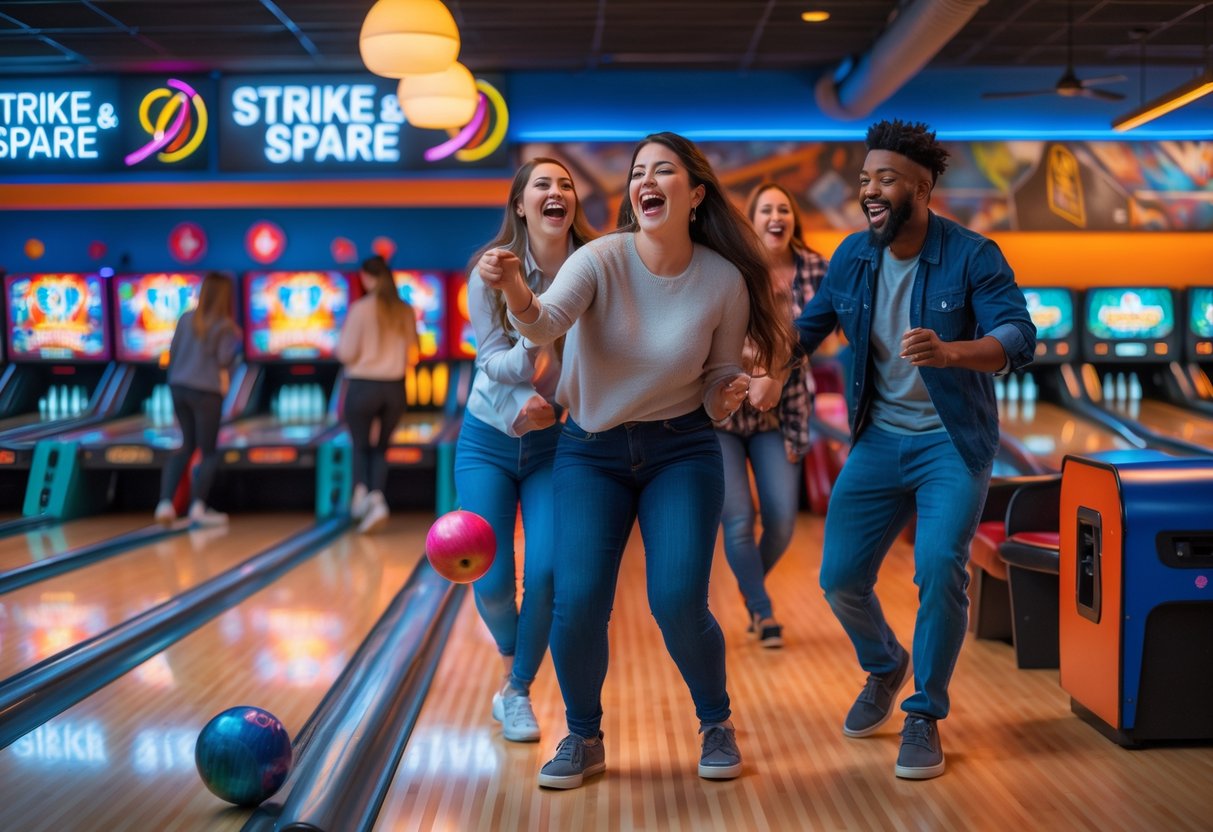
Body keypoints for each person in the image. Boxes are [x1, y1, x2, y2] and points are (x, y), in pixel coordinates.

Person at [479, 132, 796, 789]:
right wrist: (513, 287)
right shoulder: (598, 260)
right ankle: (583, 735)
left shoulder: (723, 280)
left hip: (680, 449)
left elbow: (714, 384)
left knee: (677, 600)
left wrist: (723, 390)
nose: (645, 181)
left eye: (664, 171)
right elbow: (541, 328)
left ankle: (714, 722)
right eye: (638, 172)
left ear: (694, 193)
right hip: (588, 451)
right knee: (578, 603)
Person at [795, 120, 1036, 780]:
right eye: (864, 179)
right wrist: (762, 362)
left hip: (949, 443)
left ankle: (923, 713)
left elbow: (1017, 333)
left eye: (886, 179)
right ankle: (882, 664)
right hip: (875, 440)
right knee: (838, 578)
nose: (869, 190)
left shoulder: (971, 255)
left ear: (922, 187)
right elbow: (812, 325)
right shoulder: (852, 255)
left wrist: (952, 350)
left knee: (937, 566)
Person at [455, 157, 597, 743]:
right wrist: (529, 366)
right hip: (487, 438)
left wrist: (559, 403)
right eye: (542, 184)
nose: (556, 191)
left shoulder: (595, 269)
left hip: (555, 446)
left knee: (545, 574)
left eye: (565, 184)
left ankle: (517, 689)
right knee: (488, 577)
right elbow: (491, 359)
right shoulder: (488, 274)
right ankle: (519, 654)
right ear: (520, 204)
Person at [714, 183, 828, 649]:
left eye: (784, 208)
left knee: (781, 520)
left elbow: (820, 343)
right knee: (739, 519)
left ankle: (750, 587)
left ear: (793, 219)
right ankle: (762, 611)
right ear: (752, 220)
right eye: (765, 209)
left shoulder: (818, 269)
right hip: (722, 415)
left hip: (780, 414)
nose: (775, 216)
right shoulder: (730, 269)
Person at [336, 255, 419, 534]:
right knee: (381, 447)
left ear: (367, 278)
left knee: (361, 445)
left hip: (362, 386)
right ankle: (376, 498)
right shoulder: (404, 310)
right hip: (394, 388)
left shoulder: (361, 309)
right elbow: (414, 355)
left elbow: (346, 352)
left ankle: (365, 497)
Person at [155, 271, 242, 527]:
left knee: (186, 445)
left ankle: (165, 504)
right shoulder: (226, 327)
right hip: (206, 392)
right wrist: (237, 344)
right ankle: (198, 507)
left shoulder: (185, 319)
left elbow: (170, 354)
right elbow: (225, 361)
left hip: (178, 388)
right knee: (209, 452)